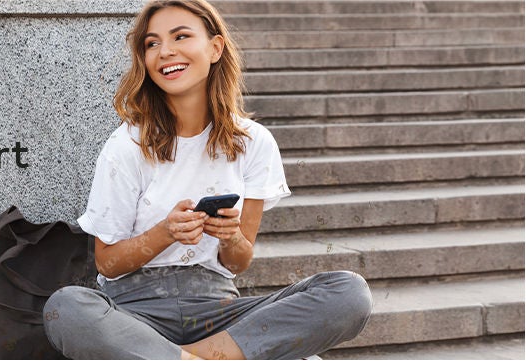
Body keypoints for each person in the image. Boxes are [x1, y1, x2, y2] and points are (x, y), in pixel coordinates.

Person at [42, 0, 372, 359]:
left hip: (220, 311)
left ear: (215, 48)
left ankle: (183, 356)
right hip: (135, 314)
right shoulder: (127, 145)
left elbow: (237, 263)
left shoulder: (253, 142)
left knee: (348, 293)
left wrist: (230, 236)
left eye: (180, 36)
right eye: (152, 43)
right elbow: (107, 262)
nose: (165, 51)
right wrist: (165, 233)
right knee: (66, 308)